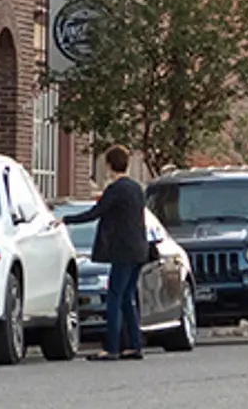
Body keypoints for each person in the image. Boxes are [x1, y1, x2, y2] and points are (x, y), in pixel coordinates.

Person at [63, 144, 147, 361]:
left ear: (109, 165)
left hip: (122, 251)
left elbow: (96, 213)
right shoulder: (136, 189)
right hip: (139, 249)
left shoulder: (115, 189)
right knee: (128, 298)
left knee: (114, 298)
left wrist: (66, 220)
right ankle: (134, 345)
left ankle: (111, 347)